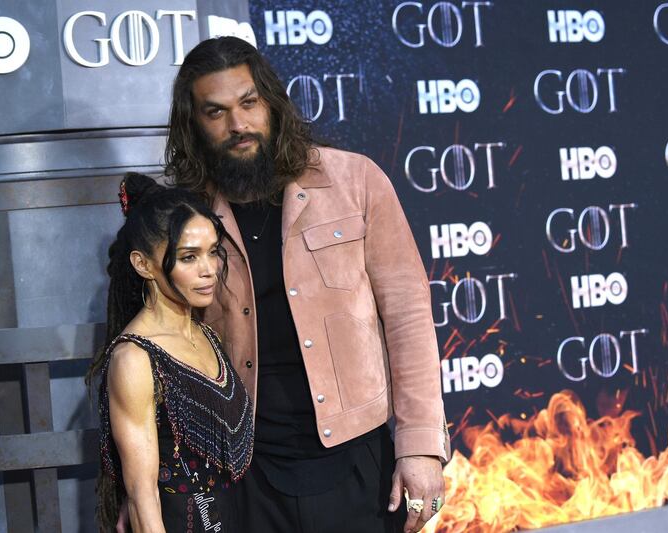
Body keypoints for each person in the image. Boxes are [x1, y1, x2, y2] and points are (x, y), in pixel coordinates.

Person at [160, 36, 451, 533]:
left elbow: (407, 316)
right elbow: (159, 350)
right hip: (243, 473)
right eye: (216, 112)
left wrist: (421, 445)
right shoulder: (180, 216)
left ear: (271, 102)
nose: (238, 125)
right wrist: (145, 488)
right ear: (194, 125)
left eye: (248, 103)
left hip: (359, 462)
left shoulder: (356, 180)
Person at [86, 173, 254, 532]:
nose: (209, 270)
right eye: (188, 257)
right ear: (143, 264)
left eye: (213, 252)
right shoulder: (134, 358)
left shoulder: (207, 334)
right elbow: (141, 492)